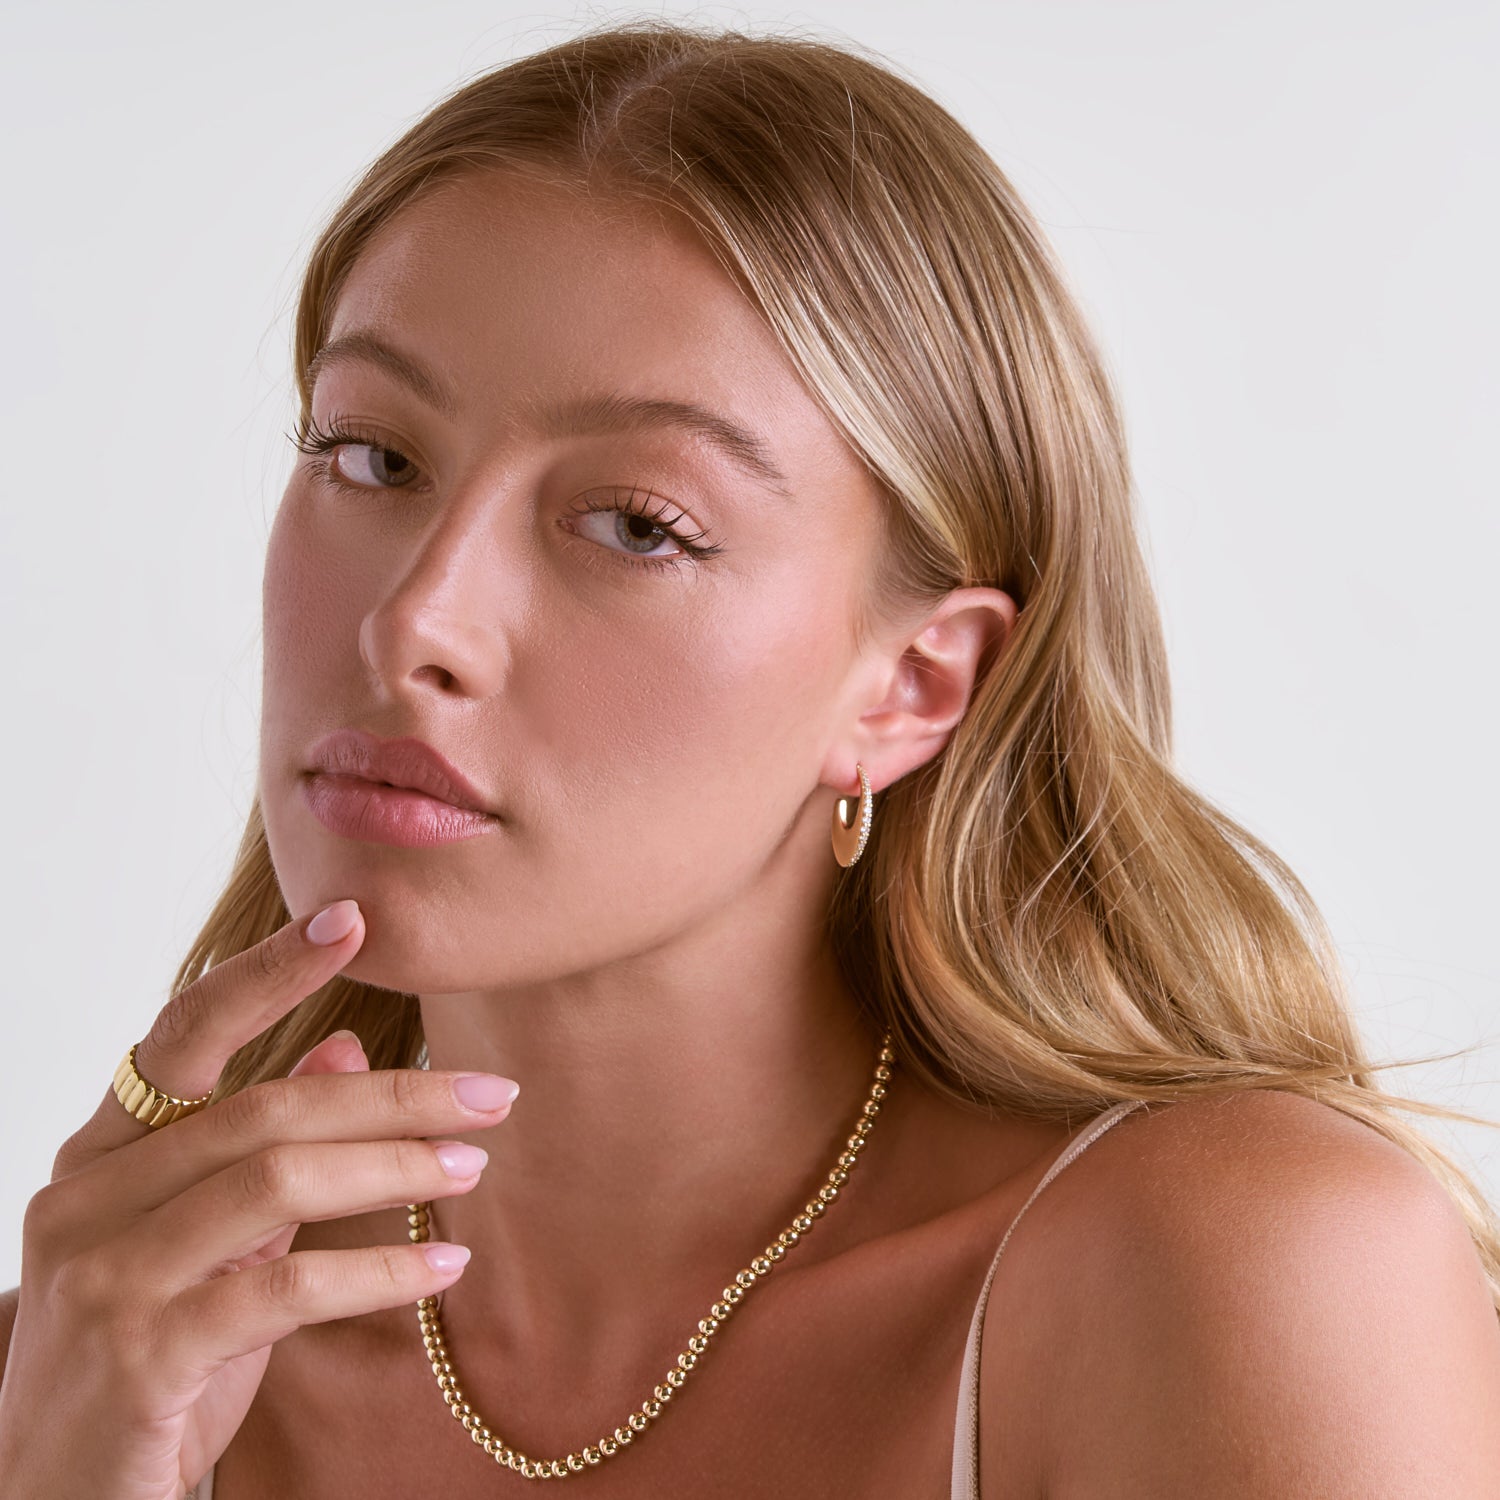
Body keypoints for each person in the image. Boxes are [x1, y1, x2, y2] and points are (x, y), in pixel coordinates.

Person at [2, 18, 1498, 1498]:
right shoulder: (103, 1374)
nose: (414, 625)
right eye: (372, 456)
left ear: (910, 686)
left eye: (638, 525)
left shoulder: (1234, 1280)